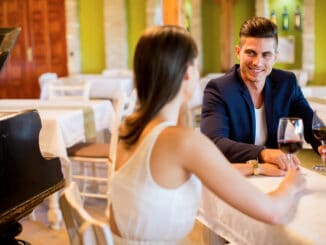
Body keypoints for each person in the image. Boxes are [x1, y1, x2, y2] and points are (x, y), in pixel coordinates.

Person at [108, 25, 306, 244]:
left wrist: (255, 166)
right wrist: (292, 183)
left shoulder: (128, 128)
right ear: (187, 73)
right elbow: (273, 211)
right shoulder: (183, 142)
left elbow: (203, 172)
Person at [201, 16, 323, 171]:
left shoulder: (286, 82)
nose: (257, 62)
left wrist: (321, 145)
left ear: (275, 57)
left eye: (266, 55)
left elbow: (311, 123)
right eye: (251, 53)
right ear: (238, 52)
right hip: (236, 177)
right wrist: (262, 153)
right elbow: (214, 142)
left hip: (277, 173)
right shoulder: (219, 89)